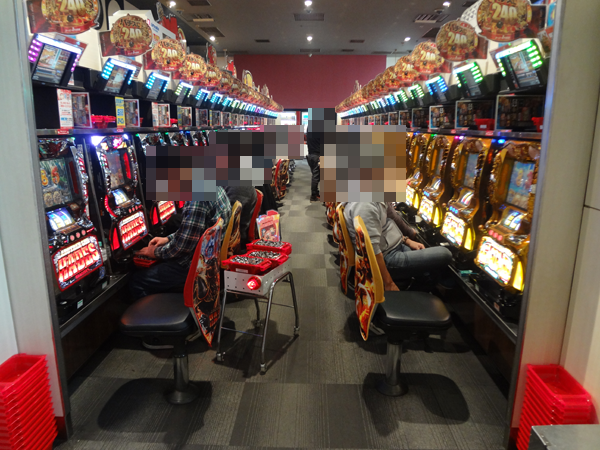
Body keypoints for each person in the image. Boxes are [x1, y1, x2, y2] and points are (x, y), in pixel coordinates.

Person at [129, 187, 232, 300]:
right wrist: (167, 239)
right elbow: (193, 230)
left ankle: (166, 308)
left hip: (194, 264)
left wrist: (155, 252)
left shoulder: (197, 197)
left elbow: (182, 247)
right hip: (211, 256)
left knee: (137, 280)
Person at [343, 202, 452, 291]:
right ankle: (409, 297)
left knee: (430, 268)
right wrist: (389, 283)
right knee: (444, 254)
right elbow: (371, 251)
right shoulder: (365, 205)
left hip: (392, 246)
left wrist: (406, 240)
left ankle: (417, 292)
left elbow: (385, 225)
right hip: (386, 259)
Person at [306, 124, 322, 202]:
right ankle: (313, 196)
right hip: (317, 156)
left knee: (315, 175)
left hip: (310, 155)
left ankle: (316, 192)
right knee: (316, 177)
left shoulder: (309, 128)